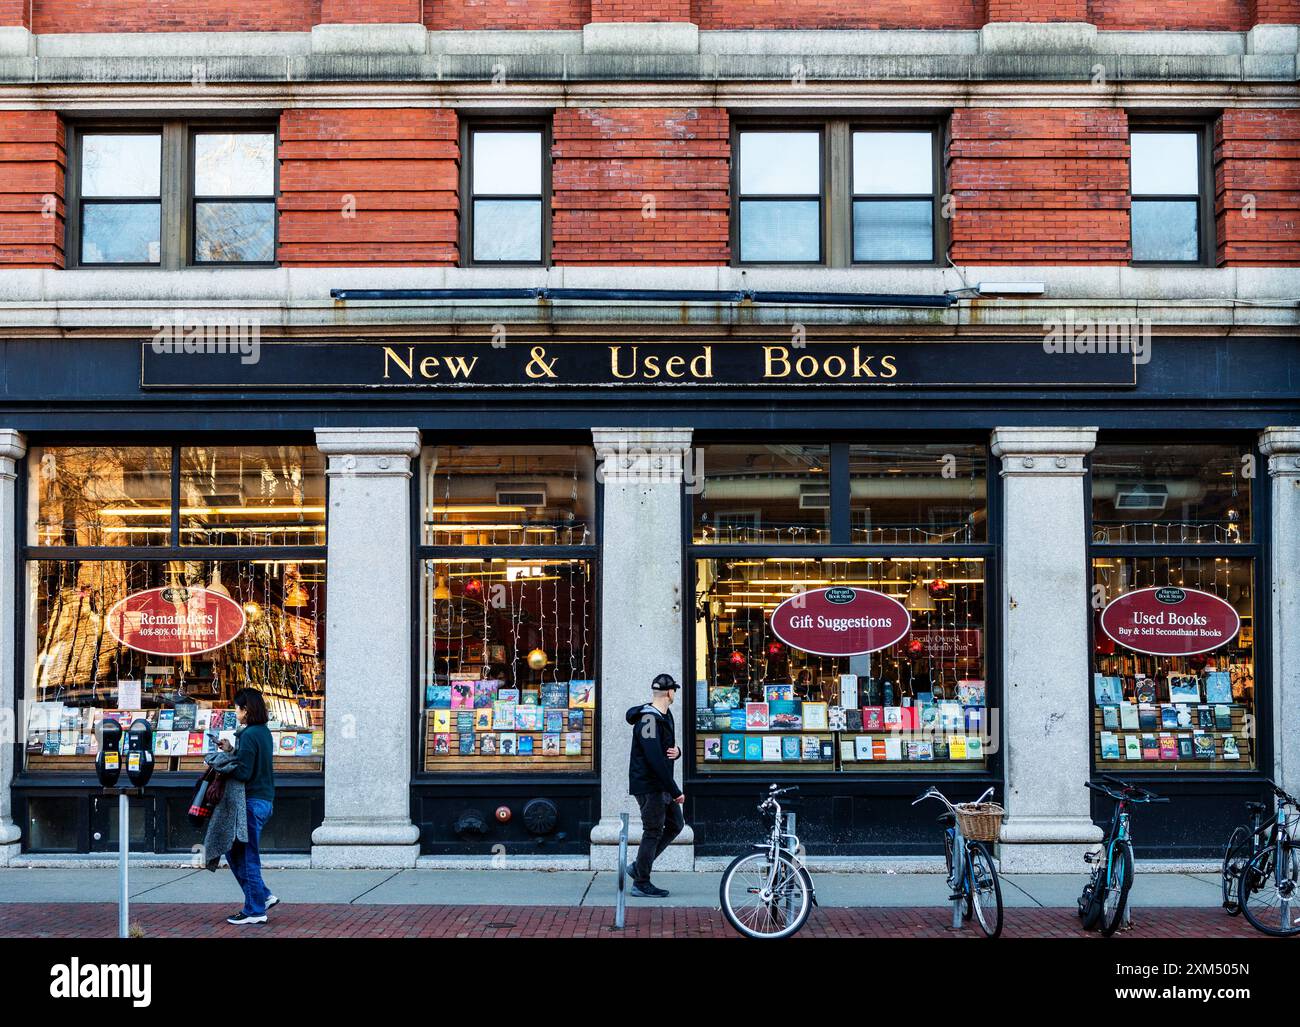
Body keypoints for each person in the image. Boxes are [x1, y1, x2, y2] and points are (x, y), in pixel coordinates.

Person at [218, 687, 278, 925]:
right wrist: (232, 750)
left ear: (246, 709)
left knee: (245, 855)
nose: (235, 712)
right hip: (262, 800)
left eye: (237, 708)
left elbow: (244, 772)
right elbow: (251, 761)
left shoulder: (249, 734)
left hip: (251, 802)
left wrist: (223, 764)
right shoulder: (263, 732)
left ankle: (254, 910)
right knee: (235, 851)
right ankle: (262, 896)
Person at [625, 673, 684, 898]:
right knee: (653, 831)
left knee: (676, 824)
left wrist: (678, 752)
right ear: (669, 692)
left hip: (661, 784)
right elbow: (653, 758)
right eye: (674, 691)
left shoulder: (665, 715)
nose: (674, 695)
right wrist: (675, 790)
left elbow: (666, 751)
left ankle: (639, 866)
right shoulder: (648, 719)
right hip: (650, 786)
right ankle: (641, 881)